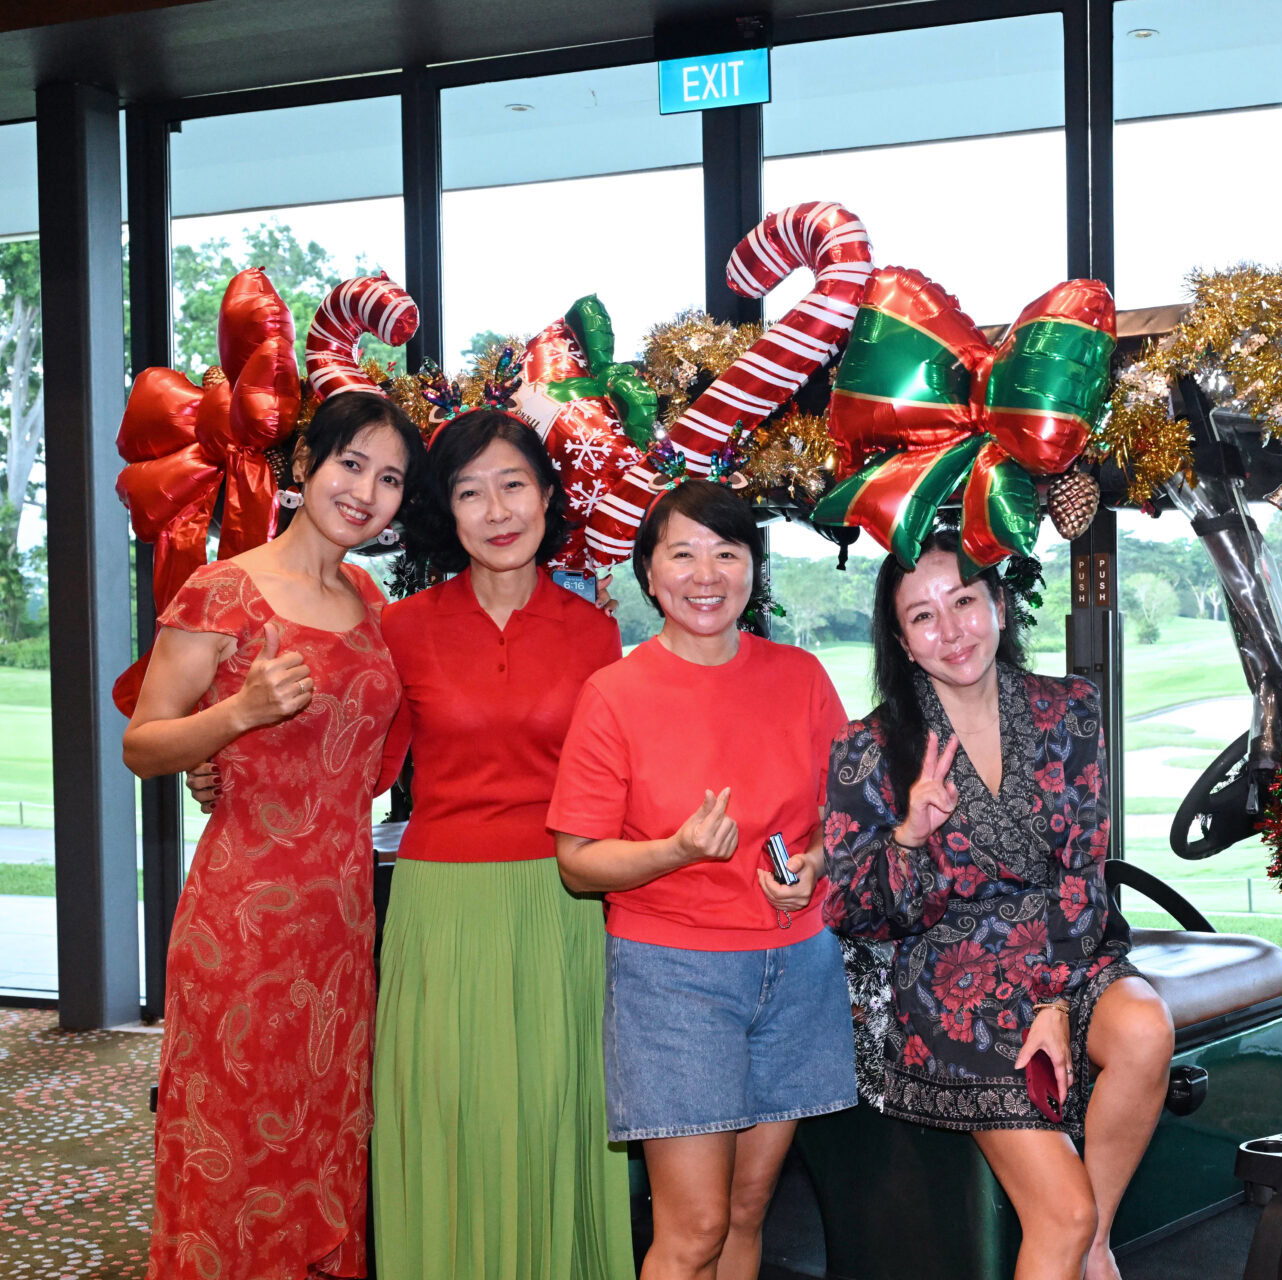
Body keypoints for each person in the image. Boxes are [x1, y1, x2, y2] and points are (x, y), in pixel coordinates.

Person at [124, 390, 425, 1280]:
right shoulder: (225, 590)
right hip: (242, 930)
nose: (365, 492)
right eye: (350, 464)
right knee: (235, 1148)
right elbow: (143, 744)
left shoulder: (369, 599)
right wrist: (236, 717)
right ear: (303, 466)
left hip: (340, 932)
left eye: (390, 479)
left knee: (325, 1144)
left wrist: (227, 755)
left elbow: (364, 758)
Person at [823, 529, 1175, 1280]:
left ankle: (1096, 1245)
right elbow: (852, 911)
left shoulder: (1069, 709)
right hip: (956, 982)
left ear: (1000, 606)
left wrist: (1055, 997)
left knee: (1146, 1028)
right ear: (902, 641)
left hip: (1066, 954)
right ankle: (1082, 1235)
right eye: (923, 616)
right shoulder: (871, 749)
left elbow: (1083, 868)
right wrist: (910, 838)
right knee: (1061, 1213)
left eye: (964, 602)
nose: (951, 631)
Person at [547, 480, 856, 1280]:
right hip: (673, 977)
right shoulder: (615, 694)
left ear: (753, 566)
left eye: (727, 552)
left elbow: (845, 817)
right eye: (682, 554)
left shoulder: (800, 677)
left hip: (798, 969)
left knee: (749, 1210)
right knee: (694, 1229)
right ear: (650, 575)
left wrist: (814, 865)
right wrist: (676, 850)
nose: (706, 574)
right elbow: (578, 860)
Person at [367, 409, 633, 1279]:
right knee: (450, 1112)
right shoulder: (403, 628)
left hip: (563, 901)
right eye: (470, 492)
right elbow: (356, 762)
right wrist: (227, 766)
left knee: (553, 1112)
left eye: (513, 484)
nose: (496, 511)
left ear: (547, 496)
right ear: (448, 510)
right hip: (441, 903)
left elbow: (619, 779)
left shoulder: (593, 632)